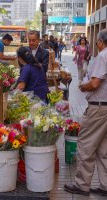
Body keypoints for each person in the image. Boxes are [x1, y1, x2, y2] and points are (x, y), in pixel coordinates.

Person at [64, 28, 107, 197]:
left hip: (98, 107)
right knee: (104, 150)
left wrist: (83, 86)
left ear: (101, 41)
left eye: (97, 41)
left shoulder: (103, 56)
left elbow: (95, 83)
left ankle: (82, 185)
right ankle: (104, 185)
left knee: (86, 144)